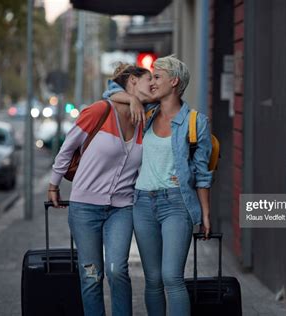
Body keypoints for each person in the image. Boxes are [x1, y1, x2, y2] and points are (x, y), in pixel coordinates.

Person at [104, 55, 213, 316]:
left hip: (176, 205)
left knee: (171, 277)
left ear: (174, 82)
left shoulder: (196, 122)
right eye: (150, 77)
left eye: (157, 77)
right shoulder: (148, 113)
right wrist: (131, 98)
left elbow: (202, 174)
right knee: (152, 279)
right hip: (142, 204)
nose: (151, 82)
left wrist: (205, 214)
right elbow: (109, 92)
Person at [47, 64, 153, 316]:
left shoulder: (146, 120)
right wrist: (54, 184)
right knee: (91, 275)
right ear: (133, 81)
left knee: (117, 269)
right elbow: (66, 148)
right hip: (85, 208)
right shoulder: (99, 111)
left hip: (123, 208)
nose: (153, 85)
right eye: (149, 79)